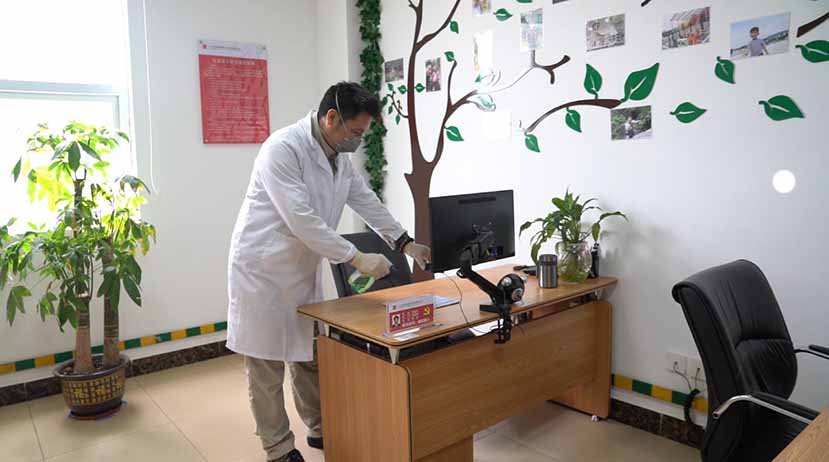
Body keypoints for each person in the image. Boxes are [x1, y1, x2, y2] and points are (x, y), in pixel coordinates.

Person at [227, 82, 431, 462]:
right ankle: (278, 448)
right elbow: (301, 219)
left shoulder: (338, 157)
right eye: (355, 132)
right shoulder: (282, 149)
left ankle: (320, 426)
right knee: (266, 366)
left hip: (300, 268)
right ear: (331, 118)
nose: (358, 140)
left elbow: (366, 201)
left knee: (308, 354)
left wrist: (404, 242)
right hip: (262, 269)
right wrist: (357, 258)